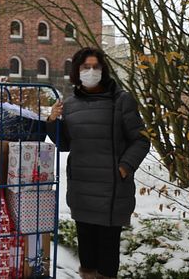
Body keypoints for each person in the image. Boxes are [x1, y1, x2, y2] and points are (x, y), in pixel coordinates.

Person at [48, 47, 150, 279]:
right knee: (87, 257)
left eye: (96, 67)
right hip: (82, 192)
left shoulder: (121, 101)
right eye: (86, 67)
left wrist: (124, 168)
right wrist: (52, 121)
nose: (91, 71)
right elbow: (65, 143)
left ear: (103, 70)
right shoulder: (71, 104)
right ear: (77, 71)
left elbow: (141, 141)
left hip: (110, 193)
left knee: (107, 257)